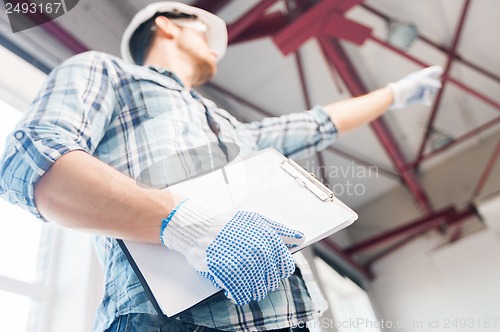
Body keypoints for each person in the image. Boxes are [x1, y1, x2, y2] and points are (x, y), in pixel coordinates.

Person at [0, 2, 443, 331]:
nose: (215, 47)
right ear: (166, 25)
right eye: (203, 31)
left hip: (285, 319)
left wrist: (394, 94)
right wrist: (188, 226)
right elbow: (32, 163)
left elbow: (314, 125)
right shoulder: (109, 73)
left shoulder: (231, 128)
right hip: (166, 321)